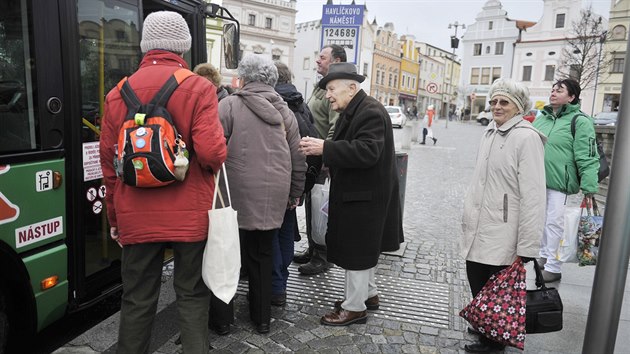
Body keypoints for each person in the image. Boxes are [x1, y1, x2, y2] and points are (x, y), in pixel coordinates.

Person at [99, 11, 227, 353]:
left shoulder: (117, 94)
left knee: (137, 298)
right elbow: (212, 154)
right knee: (192, 294)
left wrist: (115, 221)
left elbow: (109, 167)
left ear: (145, 47)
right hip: (190, 216)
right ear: (183, 48)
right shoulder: (199, 88)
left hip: (135, 214)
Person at [299, 62, 404, 326]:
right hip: (363, 194)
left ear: (352, 87)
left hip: (365, 196)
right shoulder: (359, 108)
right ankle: (368, 294)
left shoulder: (368, 111)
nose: (328, 95)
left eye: (332, 89)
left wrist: (326, 148)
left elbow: (368, 151)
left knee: (357, 252)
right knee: (364, 249)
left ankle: (354, 307)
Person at [217, 54, 306, 333]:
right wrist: (295, 194)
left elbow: (214, 149)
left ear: (242, 78)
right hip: (274, 195)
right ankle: (262, 318)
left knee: (229, 256)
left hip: (234, 195)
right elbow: (297, 158)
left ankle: (222, 321)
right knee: (263, 255)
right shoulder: (286, 113)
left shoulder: (229, 105)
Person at [460, 79, 546, 353]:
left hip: (505, 229)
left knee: (496, 286)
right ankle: (486, 324)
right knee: (476, 275)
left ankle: (494, 342)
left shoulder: (526, 138)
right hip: (480, 224)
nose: (497, 106)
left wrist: (528, 245)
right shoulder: (490, 132)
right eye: (494, 101)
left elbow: (533, 195)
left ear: (518, 107)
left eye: (504, 102)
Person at [533, 78, 599, 283]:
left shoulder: (580, 120)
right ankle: (544, 256)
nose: (553, 93)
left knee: (554, 223)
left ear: (571, 97)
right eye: (552, 89)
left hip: (560, 181)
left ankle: (553, 266)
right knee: (542, 221)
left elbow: (587, 155)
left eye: (559, 90)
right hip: (537, 179)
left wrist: (589, 186)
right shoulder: (542, 117)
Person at [294, 44, 347, 276]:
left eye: (322, 58)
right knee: (313, 202)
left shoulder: (336, 89)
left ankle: (322, 255)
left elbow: (336, 123)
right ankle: (314, 247)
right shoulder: (321, 86)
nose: (317, 60)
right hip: (313, 154)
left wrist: (327, 152)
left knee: (321, 205)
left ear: (335, 61)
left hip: (322, 155)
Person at [271, 61, 321, 306]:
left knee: (271, 234)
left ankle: (275, 284)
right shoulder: (301, 103)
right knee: (286, 230)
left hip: (275, 179)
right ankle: (281, 283)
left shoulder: (274, 103)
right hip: (297, 179)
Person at [192, 62, 234, 335]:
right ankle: (220, 321)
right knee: (218, 254)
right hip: (209, 195)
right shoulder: (222, 102)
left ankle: (217, 320)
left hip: (196, 195)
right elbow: (214, 154)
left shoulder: (123, 91)